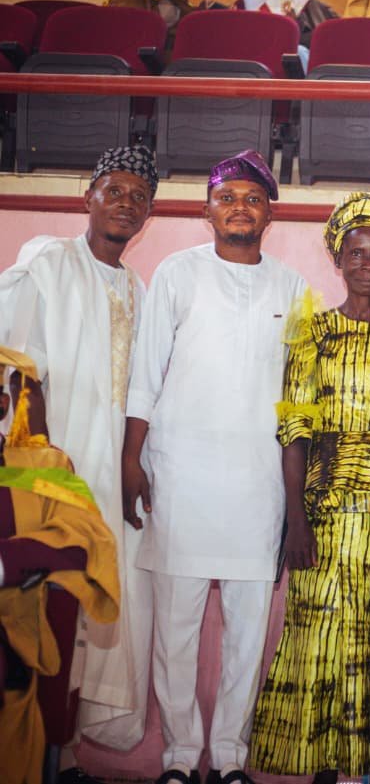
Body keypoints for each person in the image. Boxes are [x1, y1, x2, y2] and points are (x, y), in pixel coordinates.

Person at [121, 150, 305, 784]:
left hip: (259, 484)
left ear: (269, 214)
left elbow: (297, 399)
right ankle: (178, 756)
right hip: (181, 474)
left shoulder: (292, 286)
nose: (240, 208)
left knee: (248, 633)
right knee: (175, 628)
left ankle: (229, 756)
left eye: (252, 199)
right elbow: (145, 373)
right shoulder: (176, 272)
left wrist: (294, 496)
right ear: (207, 210)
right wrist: (131, 457)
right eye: (228, 198)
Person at [248, 193, 370, 783]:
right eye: (356, 253)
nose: (367, 265)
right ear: (339, 257)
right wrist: (295, 520)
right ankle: (332, 768)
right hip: (326, 514)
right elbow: (295, 427)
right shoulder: (313, 331)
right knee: (326, 639)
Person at [0, 145, 158, 779]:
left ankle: (61, 750)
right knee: (44, 599)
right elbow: (16, 372)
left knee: (87, 600)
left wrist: (130, 462)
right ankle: (34, 752)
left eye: (138, 196)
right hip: (48, 470)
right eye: (114, 190)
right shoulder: (48, 261)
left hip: (108, 467)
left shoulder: (138, 287)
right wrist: (36, 476)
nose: (125, 203)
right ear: (86, 196)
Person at [0, 346, 121, 784]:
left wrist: (7, 561)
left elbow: (89, 539)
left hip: (14, 627)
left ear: (2, 401)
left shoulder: (41, 467)